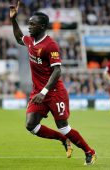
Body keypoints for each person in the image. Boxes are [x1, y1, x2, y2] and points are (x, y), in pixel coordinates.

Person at [10, 0, 96, 165]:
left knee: (63, 126)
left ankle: (90, 152)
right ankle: (63, 139)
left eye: (32, 24)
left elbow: (57, 71)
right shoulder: (31, 42)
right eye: (28, 24)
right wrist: (13, 19)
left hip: (54, 92)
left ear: (42, 27)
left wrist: (44, 92)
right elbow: (20, 38)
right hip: (38, 92)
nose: (29, 27)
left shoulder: (50, 45)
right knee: (31, 125)